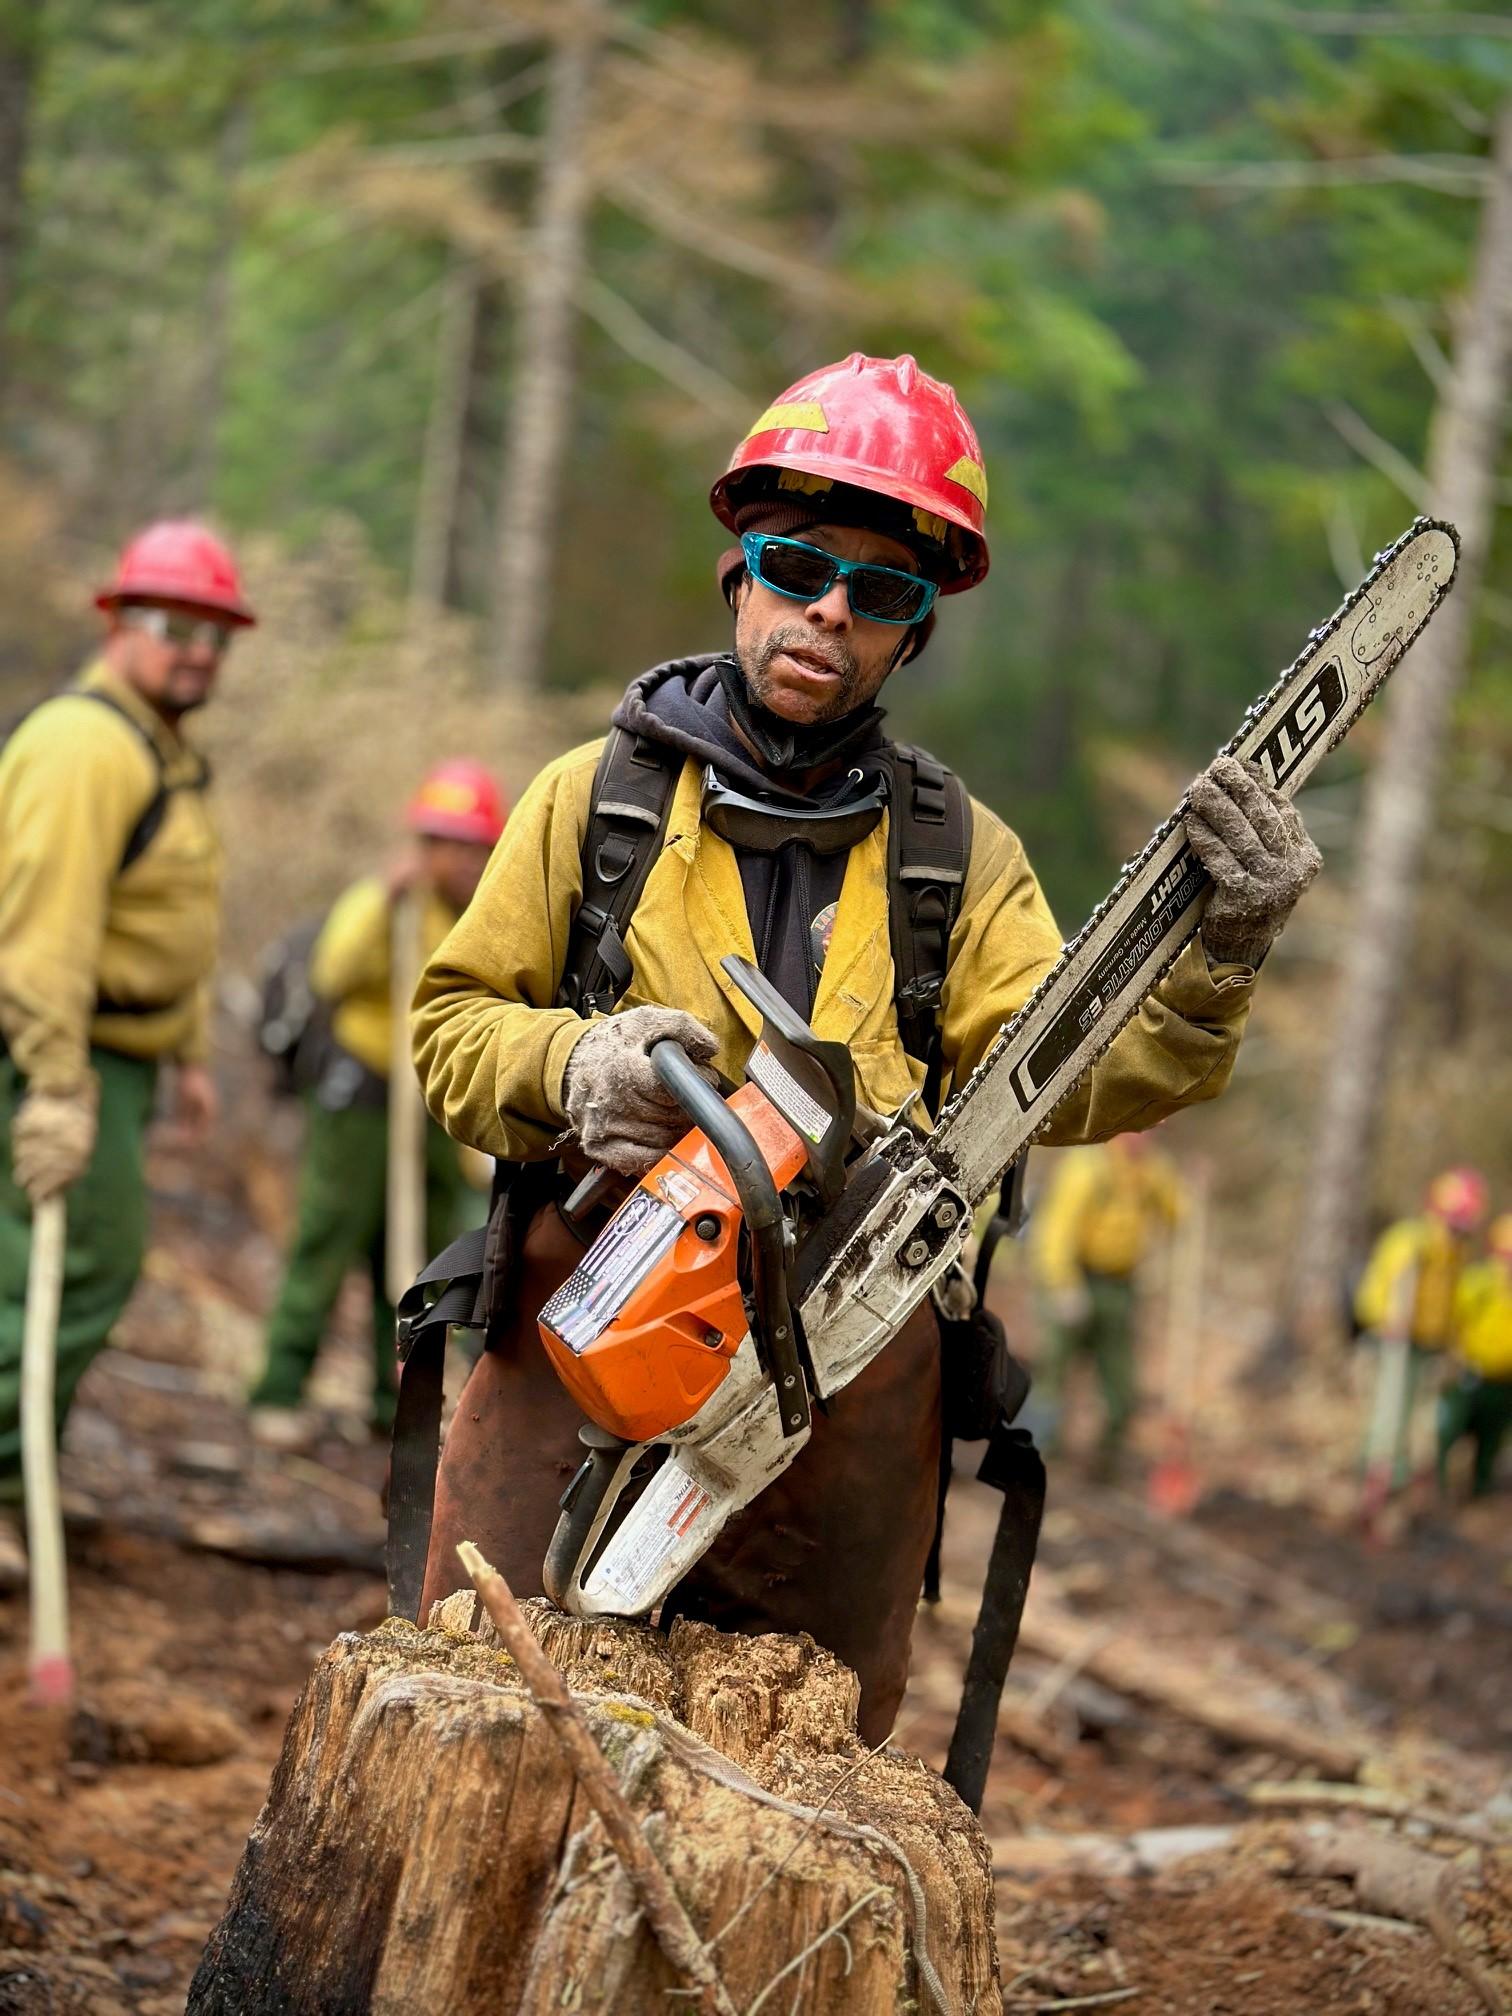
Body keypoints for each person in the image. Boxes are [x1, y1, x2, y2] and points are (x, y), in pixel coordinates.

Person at [407, 353, 1324, 1741]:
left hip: (845, 1374)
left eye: (881, 591)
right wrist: (574, 1069)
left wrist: (1217, 959)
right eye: (799, 564)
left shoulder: (958, 862)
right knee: (481, 1720)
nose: (830, 610)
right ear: (740, 571)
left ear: (914, 629)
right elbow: (452, 1027)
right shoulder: (593, 805)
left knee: (800, 1771)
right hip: (586, 1324)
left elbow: (1079, 1073)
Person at [0, 521, 255, 1588]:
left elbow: (161, 916)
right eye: (172, 626)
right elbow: (45, 931)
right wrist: (57, 1085)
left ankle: (23, 1479)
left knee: (75, 1265)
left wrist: (185, 1052)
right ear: (116, 623)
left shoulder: (157, 745)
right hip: (60, 1049)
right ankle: (8, 1483)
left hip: (122, 1054)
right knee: (65, 1265)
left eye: (214, 633)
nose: (196, 650)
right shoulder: (83, 747)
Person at [247, 762, 506, 1447]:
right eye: (447, 843)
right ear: (424, 846)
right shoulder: (387, 903)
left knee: (417, 1256)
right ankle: (279, 1388)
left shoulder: (487, 915)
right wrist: (383, 904)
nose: (462, 860)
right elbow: (332, 972)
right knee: (331, 1237)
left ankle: (387, 1400)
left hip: (432, 1103)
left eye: (474, 846)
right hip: (361, 1096)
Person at [1030, 1133, 1186, 1477]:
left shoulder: (1154, 1170)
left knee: (1120, 1378)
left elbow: (1177, 1213)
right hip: (1077, 1279)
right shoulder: (1087, 1168)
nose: (1142, 1136)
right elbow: (1056, 1232)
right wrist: (1062, 1287)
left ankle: (1106, 1462)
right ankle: (1036, 1451)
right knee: (1054, 1370)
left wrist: (1191, 1191)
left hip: (1120, 1286)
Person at [1354, 1166, 1488, 1493]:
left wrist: (1451, 1342)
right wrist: (1393, 1319)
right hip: (1394, 1341)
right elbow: (1388, 1285)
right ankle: (1376, 1475)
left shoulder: (1456, 1253)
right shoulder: (1413, 1240)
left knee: (1419, 1416)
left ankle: (1401, 1477)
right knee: (1389, 1411)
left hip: (1428, 1344)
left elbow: (1451, 1301)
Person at [1436, 1213, 1512, 1500]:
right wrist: (1452, 1358)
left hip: (1505, 1380)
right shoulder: (1479, 1282)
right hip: (1470, 1373)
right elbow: (1454, 1319)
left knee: (1491, 1441)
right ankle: (1438, 1487)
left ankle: (1481, 1490)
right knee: (1451, 1430)